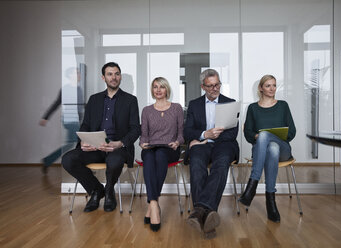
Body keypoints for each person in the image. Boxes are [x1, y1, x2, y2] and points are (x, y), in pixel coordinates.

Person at [62, 62, 140, 212]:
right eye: (110, 74)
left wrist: (120, 143)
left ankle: (109, 191)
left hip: (117, 147)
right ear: (103, 77)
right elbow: (85, 125)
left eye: (117, 74)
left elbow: (136, 129)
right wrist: (84, 141)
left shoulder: (130, 100)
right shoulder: (94, 99)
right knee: (68, 159)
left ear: (120, 77)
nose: (114, 77)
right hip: (95, 147)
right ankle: (96, 190)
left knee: (114, 161)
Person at [184, 69, 239, 239]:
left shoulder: (230, 103)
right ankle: (208, 218)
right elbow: (187, 131)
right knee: (197, 163)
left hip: (225, 144)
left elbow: (233, 133)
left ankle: (199, 211)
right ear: (203, 86)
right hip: (202, 143)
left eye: (217, 85)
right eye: (210, 86)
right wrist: (204, 135)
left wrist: (217, 136)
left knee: (221, 164)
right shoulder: (194, 104)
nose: (215, 89)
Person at [239, 74, 296, 223]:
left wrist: (272, 135)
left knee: (267, 137)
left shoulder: (283, 105)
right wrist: (258, 137)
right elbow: (248, 133)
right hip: (262, 150)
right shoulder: (252, 108)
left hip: (284, 148)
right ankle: (271, 203)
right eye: (268, 86)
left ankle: (252, 186)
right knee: (272, 148)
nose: (272, 89)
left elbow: (292, 131)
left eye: (274, 85)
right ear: (261, 88)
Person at [139, 77, 184, 232]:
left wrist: (177, 142)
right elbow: (144, 135)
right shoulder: (146, 110)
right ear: (152, 90)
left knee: (160, 156)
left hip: (170, 149)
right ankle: (154, 204)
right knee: (151, 156)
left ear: (167, 89)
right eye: (155, 87)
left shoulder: (177, 108)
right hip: (151, 147)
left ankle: (152, 206)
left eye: (161, 87)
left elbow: (181, 133)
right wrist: (142, 143)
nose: (158, 90)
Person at [39, 67, 83, 173]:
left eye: (78, 72)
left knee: (78, 143)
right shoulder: (66, 89)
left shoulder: (79, 89)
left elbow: (80, 106)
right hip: (70, 119)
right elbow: (56, 103)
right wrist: (46, 117)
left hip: (77, 120)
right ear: (70, 76)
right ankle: (48, 160)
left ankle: (81, 165)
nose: (79, 74)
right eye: (76, 73)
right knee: (73, 143)